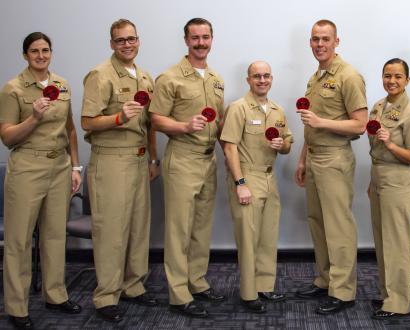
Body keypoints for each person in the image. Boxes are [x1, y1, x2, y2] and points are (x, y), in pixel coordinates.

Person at [0, 32, 82, 330]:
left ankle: (55, 295)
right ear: (25, 55)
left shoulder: (62, 85)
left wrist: (76, 167)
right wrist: (33, 117)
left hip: (59, 165)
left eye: (45, 50)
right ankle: (17, 307)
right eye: (34, 51)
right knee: (19, 241)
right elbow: (8, 137)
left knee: (54, 235)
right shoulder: (13, 89)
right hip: (27, 167)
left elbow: (70, 129)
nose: (41, 56)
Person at [81, 18, 159, 323]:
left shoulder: (145, 77)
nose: (127, 45)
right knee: (112, 231)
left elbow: (149, 123)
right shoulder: (100, 76)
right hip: (111, 160)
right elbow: (87, 122)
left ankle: (133, 286)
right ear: (112, 44)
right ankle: (106, 296)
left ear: (138, 41)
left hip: (139, 160)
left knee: (139, 227)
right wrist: (117, 117)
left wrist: (153, 158)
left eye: (131, 39)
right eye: (120, 40)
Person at [149, 17, 225, 318]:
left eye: (206, 37)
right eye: (195, 38)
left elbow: (219, 122)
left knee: (201, 227)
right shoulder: (169, 78)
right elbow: (155, 119)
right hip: (182, 157)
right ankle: (179, 294)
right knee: (179, 229)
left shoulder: (216, 79)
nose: (201, 43)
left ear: (212, 39)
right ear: (186, 40)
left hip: (209, 160)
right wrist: (183, 125)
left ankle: (197, 281)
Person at [294, 19, 368, 315]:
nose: (320, 44)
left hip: (335, 158)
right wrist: (302, 158)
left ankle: (343, 291)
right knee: (318, 221)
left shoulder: (348, 76)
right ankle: (325, 279)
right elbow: (309, 126)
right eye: (315, 39)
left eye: (325, 39)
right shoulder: (315, 78)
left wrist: (321, 123)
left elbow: (360, 124)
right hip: (314, 157)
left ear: (337, 41)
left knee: (338, 226)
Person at [221, 61, 292, 313]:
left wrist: (281, 145)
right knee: (248, 239)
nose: (262, 80)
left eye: (266, 76)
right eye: (257, 76)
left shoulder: (277, 110)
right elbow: (229, 147)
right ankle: (248, 294)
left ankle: (264, 286)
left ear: (271, 79)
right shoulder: (238, 109)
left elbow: (287, 143)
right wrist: (240, 183)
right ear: (248, 80)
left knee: (267, 237)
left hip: (270, 179)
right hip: (247, 178)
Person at [367, 58, 410, 320]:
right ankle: (387, 293)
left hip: (399, 181)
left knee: (397, 243)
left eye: (398, 76)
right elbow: (374, 149)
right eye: (388, 75)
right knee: (382, 241)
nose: (392, 81)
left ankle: (399, 302)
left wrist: (390, 144)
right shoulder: (378, 106)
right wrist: (372, 180)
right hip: (379, 177)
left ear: (407, 80)